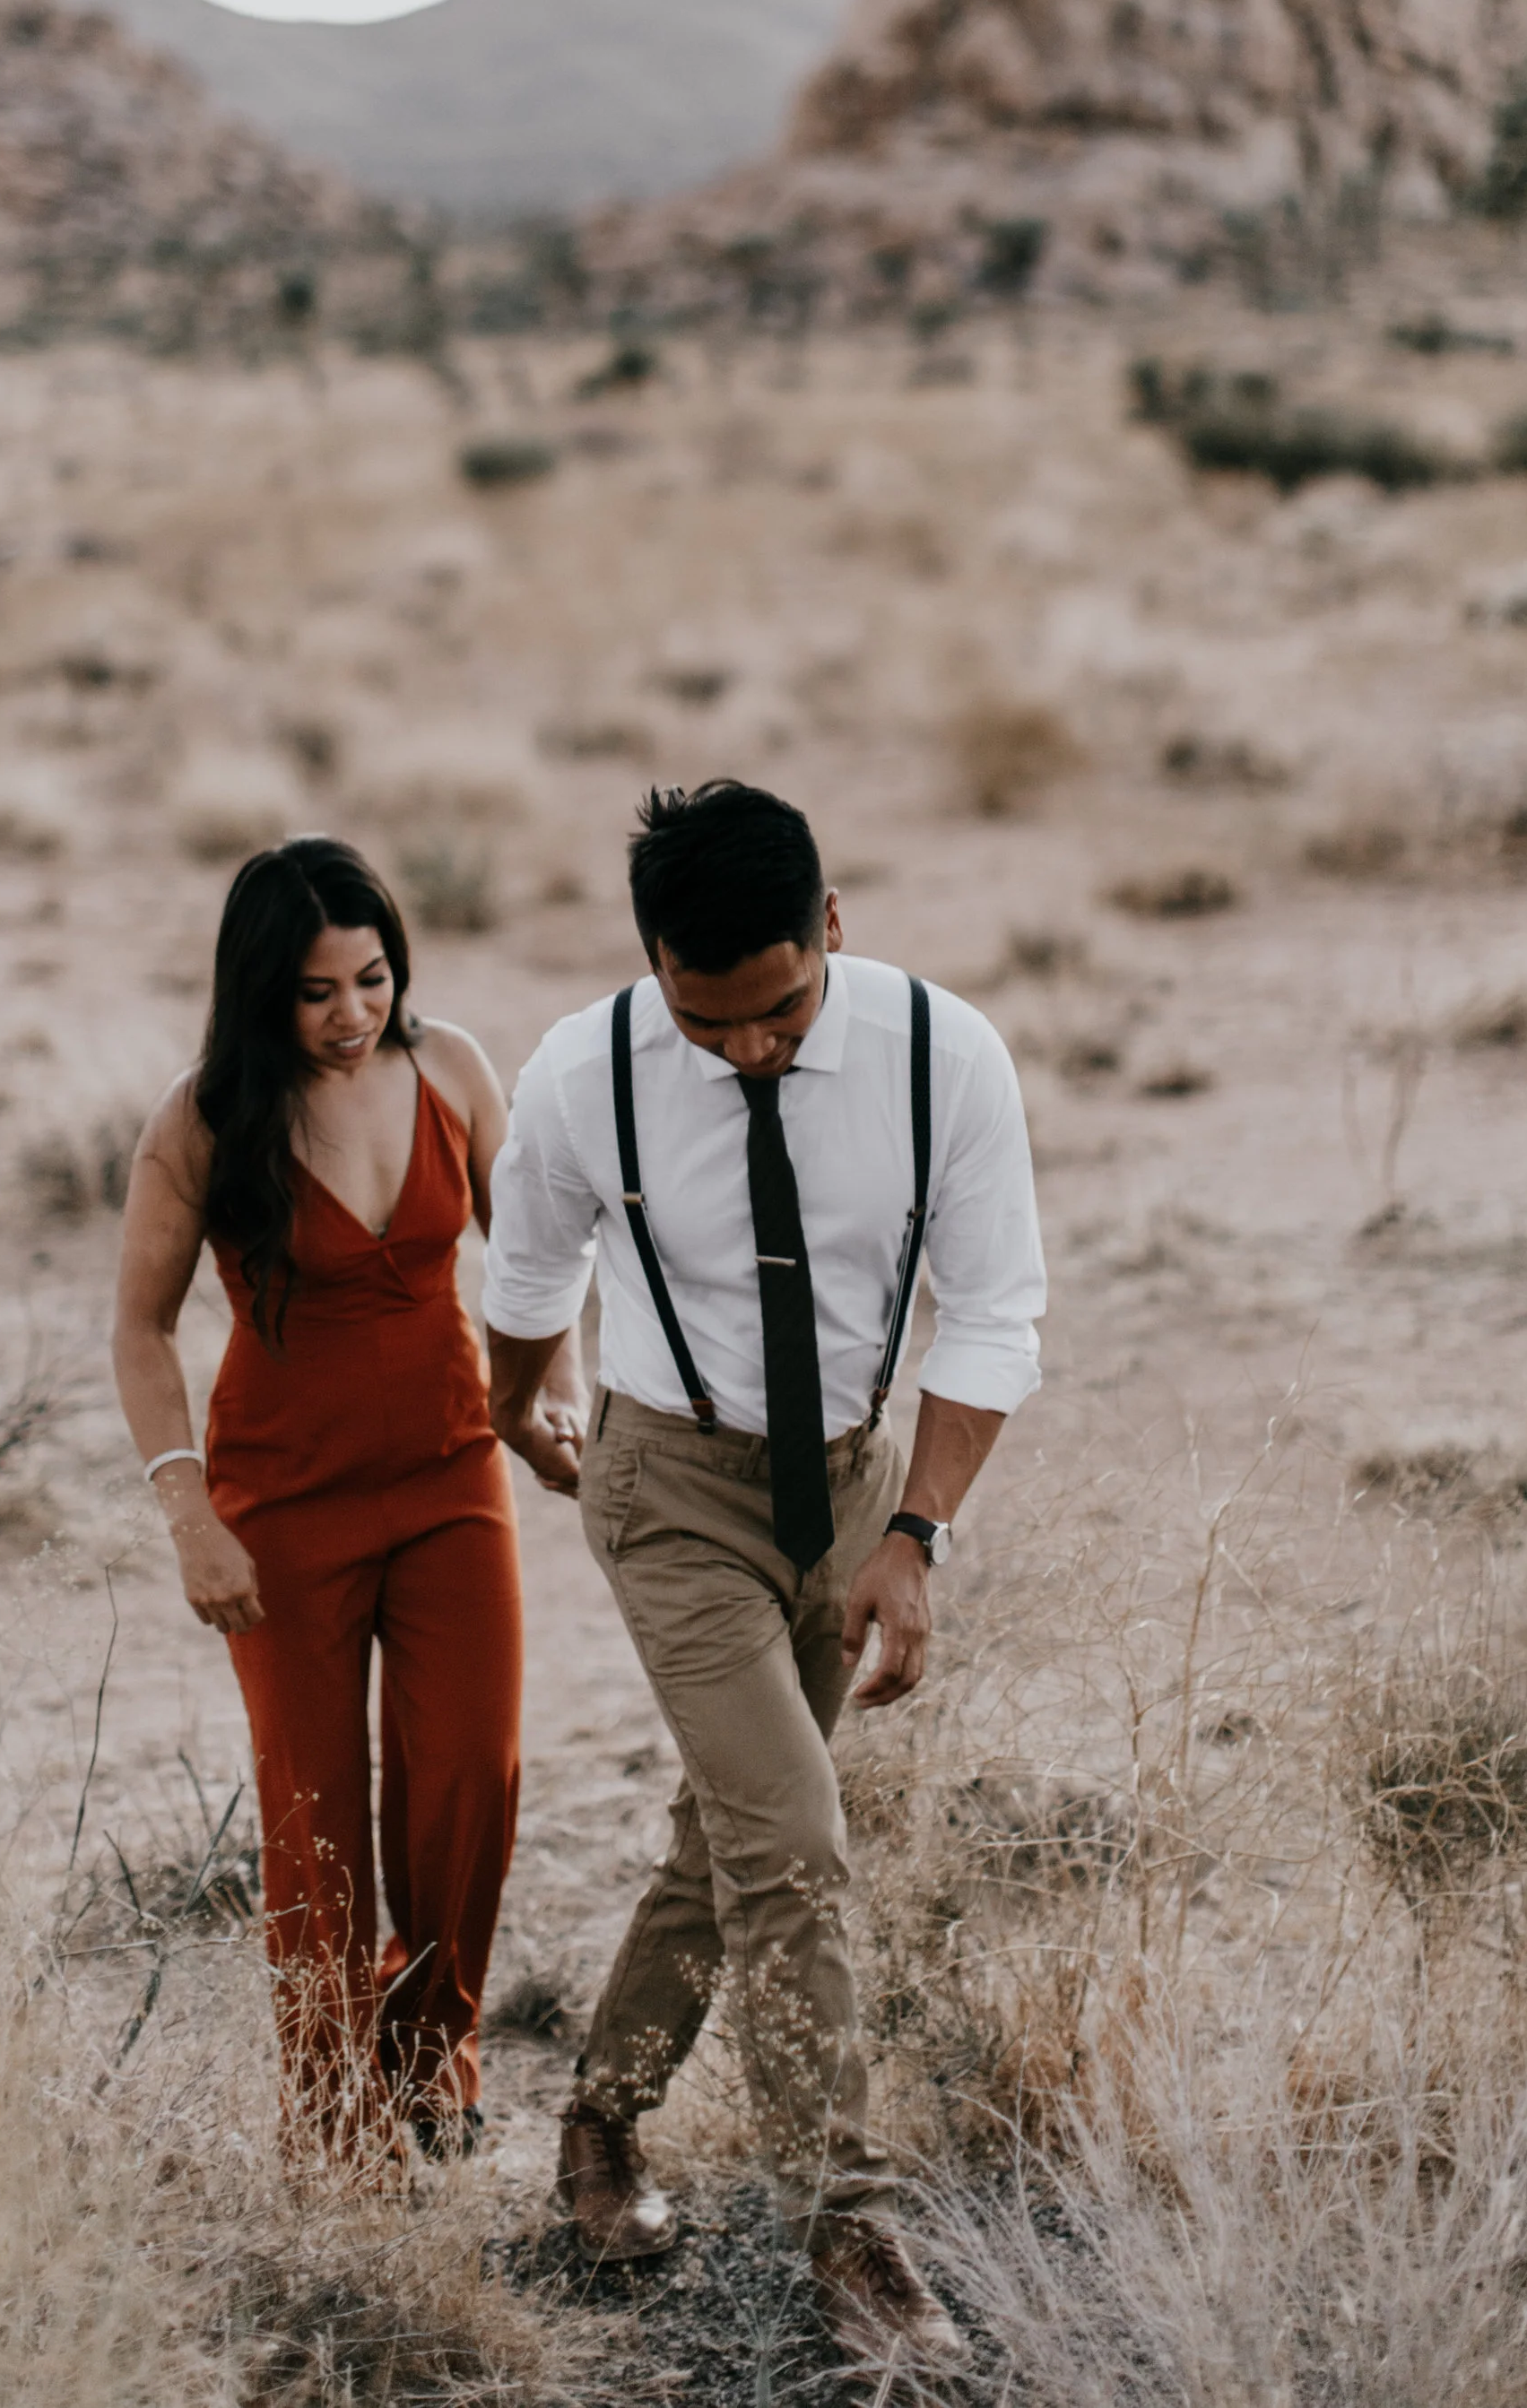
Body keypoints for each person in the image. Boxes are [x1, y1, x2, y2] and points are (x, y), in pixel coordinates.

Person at [482, 779, 1045, 2369]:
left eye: (782, 1007)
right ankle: (849, 2230)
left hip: (862, 1485)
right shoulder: (585, 1070)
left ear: (836, 929)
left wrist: (916, 1532)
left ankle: (598, 2115)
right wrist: (516, 1402)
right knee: (794, 1842)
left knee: (731, 1829)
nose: (749, 1048)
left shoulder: (949, 1058)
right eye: (706, 1016)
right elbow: (529, 1268)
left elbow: (996, 1310)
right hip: (672, 1488)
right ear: (655, 960)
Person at [110, 836, 568, 2155]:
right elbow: (140, 1330)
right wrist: (189, 1515)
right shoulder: (201, 1119)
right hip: (280, 1511)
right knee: (316, 1820)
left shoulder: (453, 1070)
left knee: (469, 1774)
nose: (354, 1013)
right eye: (317, 992)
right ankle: (334, 2123)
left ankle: (432, 2059)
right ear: (261, 990)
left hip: (450, 1475)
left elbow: (535, 1260)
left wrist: (554, 1398)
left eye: (372, 977)